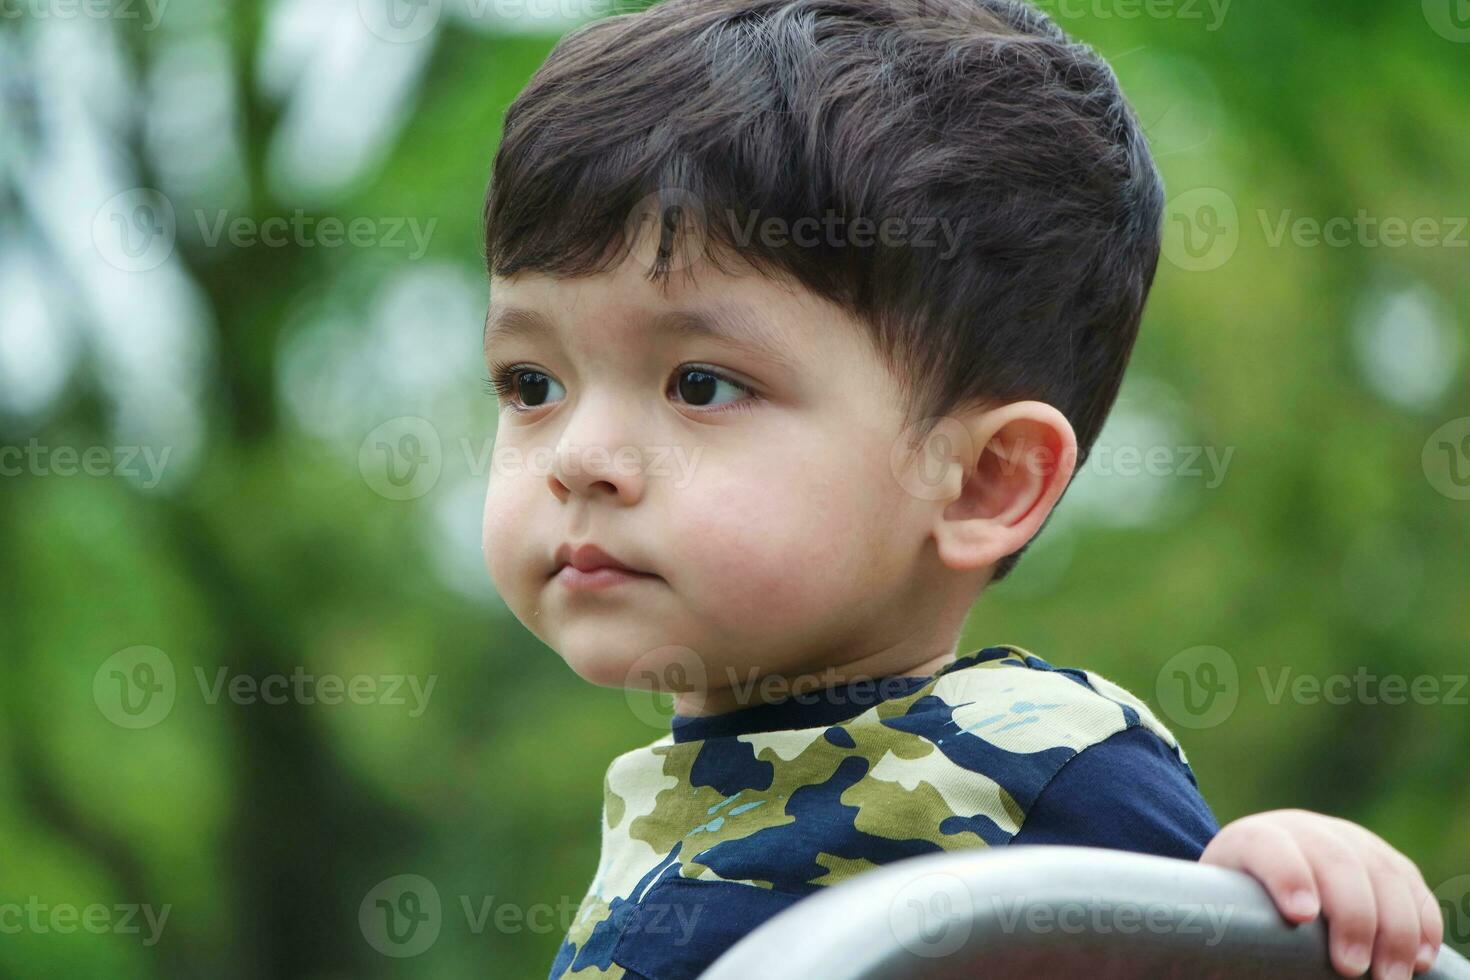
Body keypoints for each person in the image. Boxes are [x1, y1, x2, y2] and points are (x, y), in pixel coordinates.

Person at [476, 0, 1445, 977]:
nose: (577, 453)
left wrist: (1270, 895)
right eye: (532, 384)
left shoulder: (1032, 767)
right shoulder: (670, 802)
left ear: (983, 481)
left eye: (702, 384)